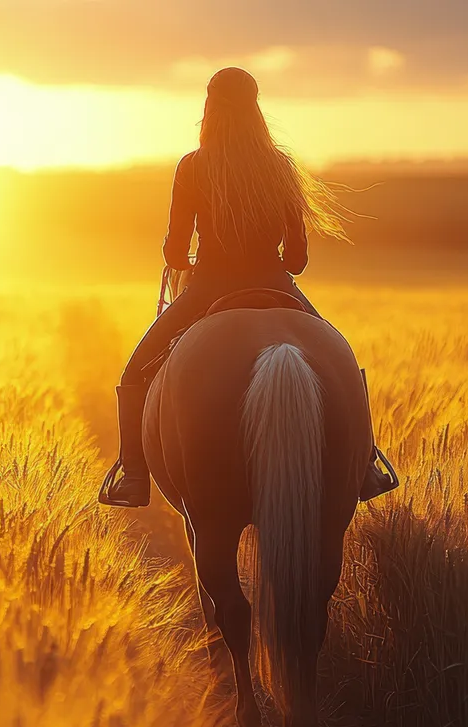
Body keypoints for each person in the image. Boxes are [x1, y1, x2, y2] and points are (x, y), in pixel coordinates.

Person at [99, 66, 396, 508]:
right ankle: (367, 465)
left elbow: (176, 253)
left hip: (208, 287)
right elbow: (297, 259)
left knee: (135, 371)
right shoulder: (279, 166)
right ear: (255, 107)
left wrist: (184, 258)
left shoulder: (193, 166)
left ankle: (134, 476)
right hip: (276, 283)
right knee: (344, 364)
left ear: (210, 107)